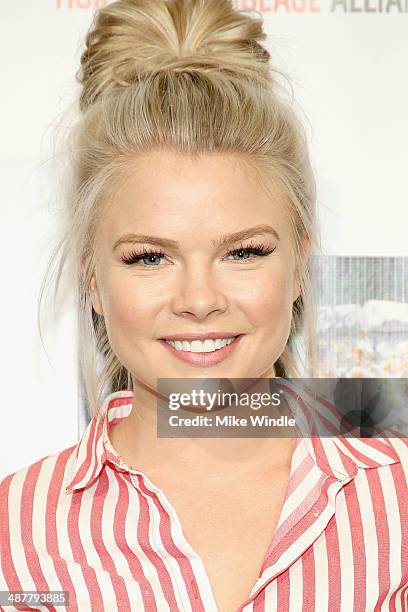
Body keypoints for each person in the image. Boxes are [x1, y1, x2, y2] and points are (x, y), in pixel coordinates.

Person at [0, 0, 407, 610]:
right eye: (149, 257)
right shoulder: (17, 530)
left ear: (300, 262)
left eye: (242, 253)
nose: (198, 300)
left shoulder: (396, 496)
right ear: (91, 278)